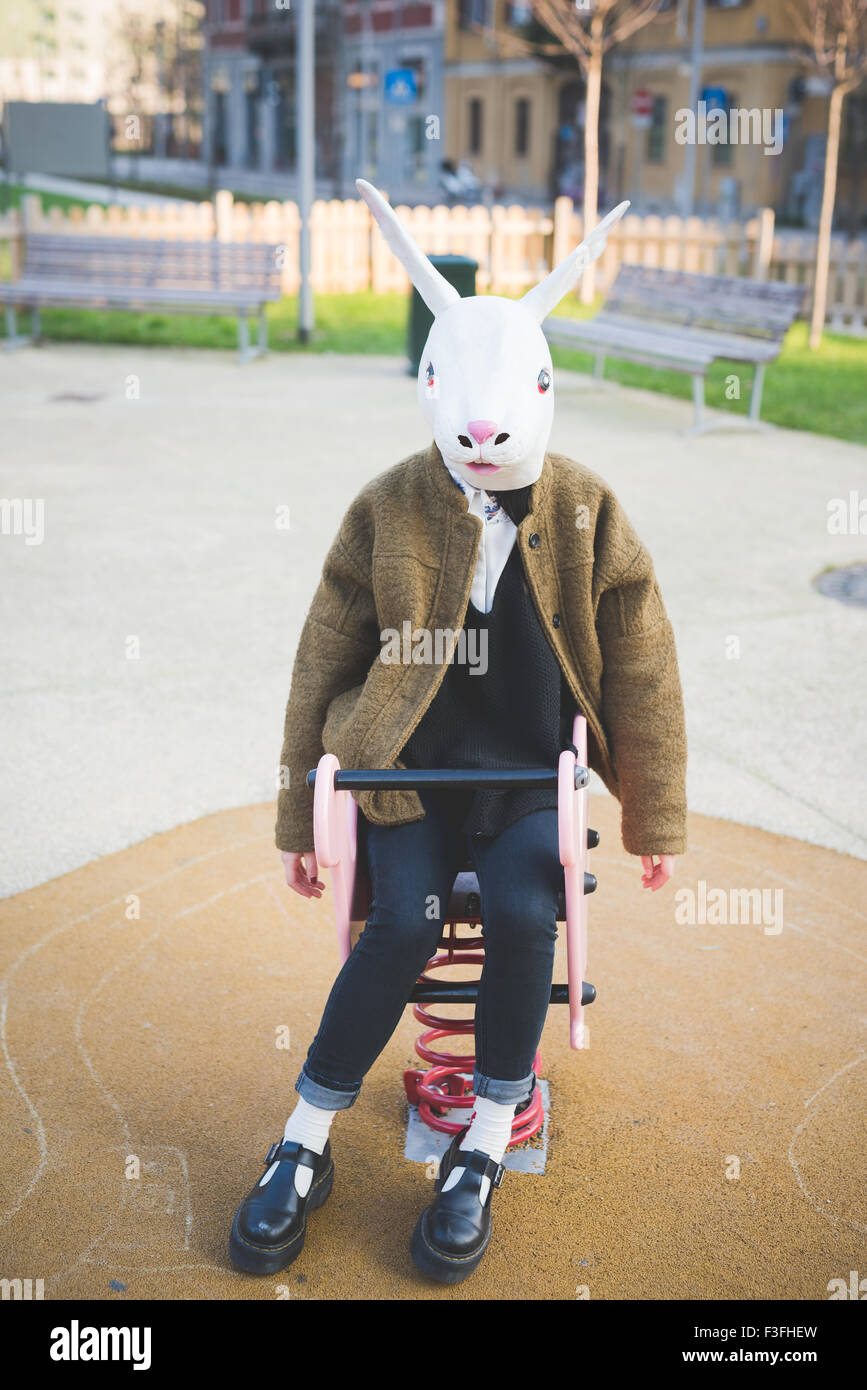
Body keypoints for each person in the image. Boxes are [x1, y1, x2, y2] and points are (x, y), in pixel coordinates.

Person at [229, 183, 687, 1285]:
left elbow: (642, 658)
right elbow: (323, 658)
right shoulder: (388, 505)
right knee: (401, 922)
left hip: (532, 779)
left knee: (530, 907)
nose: (483, 436)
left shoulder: (585, 508)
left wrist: (655, 813)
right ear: (429, 387)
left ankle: (481, 1140)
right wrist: (300, 810)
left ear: (545, 390)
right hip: (409, 774)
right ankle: (306, 1135)